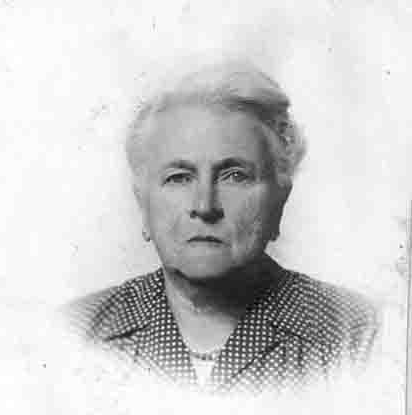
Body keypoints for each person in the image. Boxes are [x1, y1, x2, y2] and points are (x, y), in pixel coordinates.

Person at [66, 60, 379, 395]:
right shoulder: (75, 331)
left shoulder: (355, 335)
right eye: (179, 178)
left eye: (235, 176)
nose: (205, 206)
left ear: (280, 198)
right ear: (143, 203)